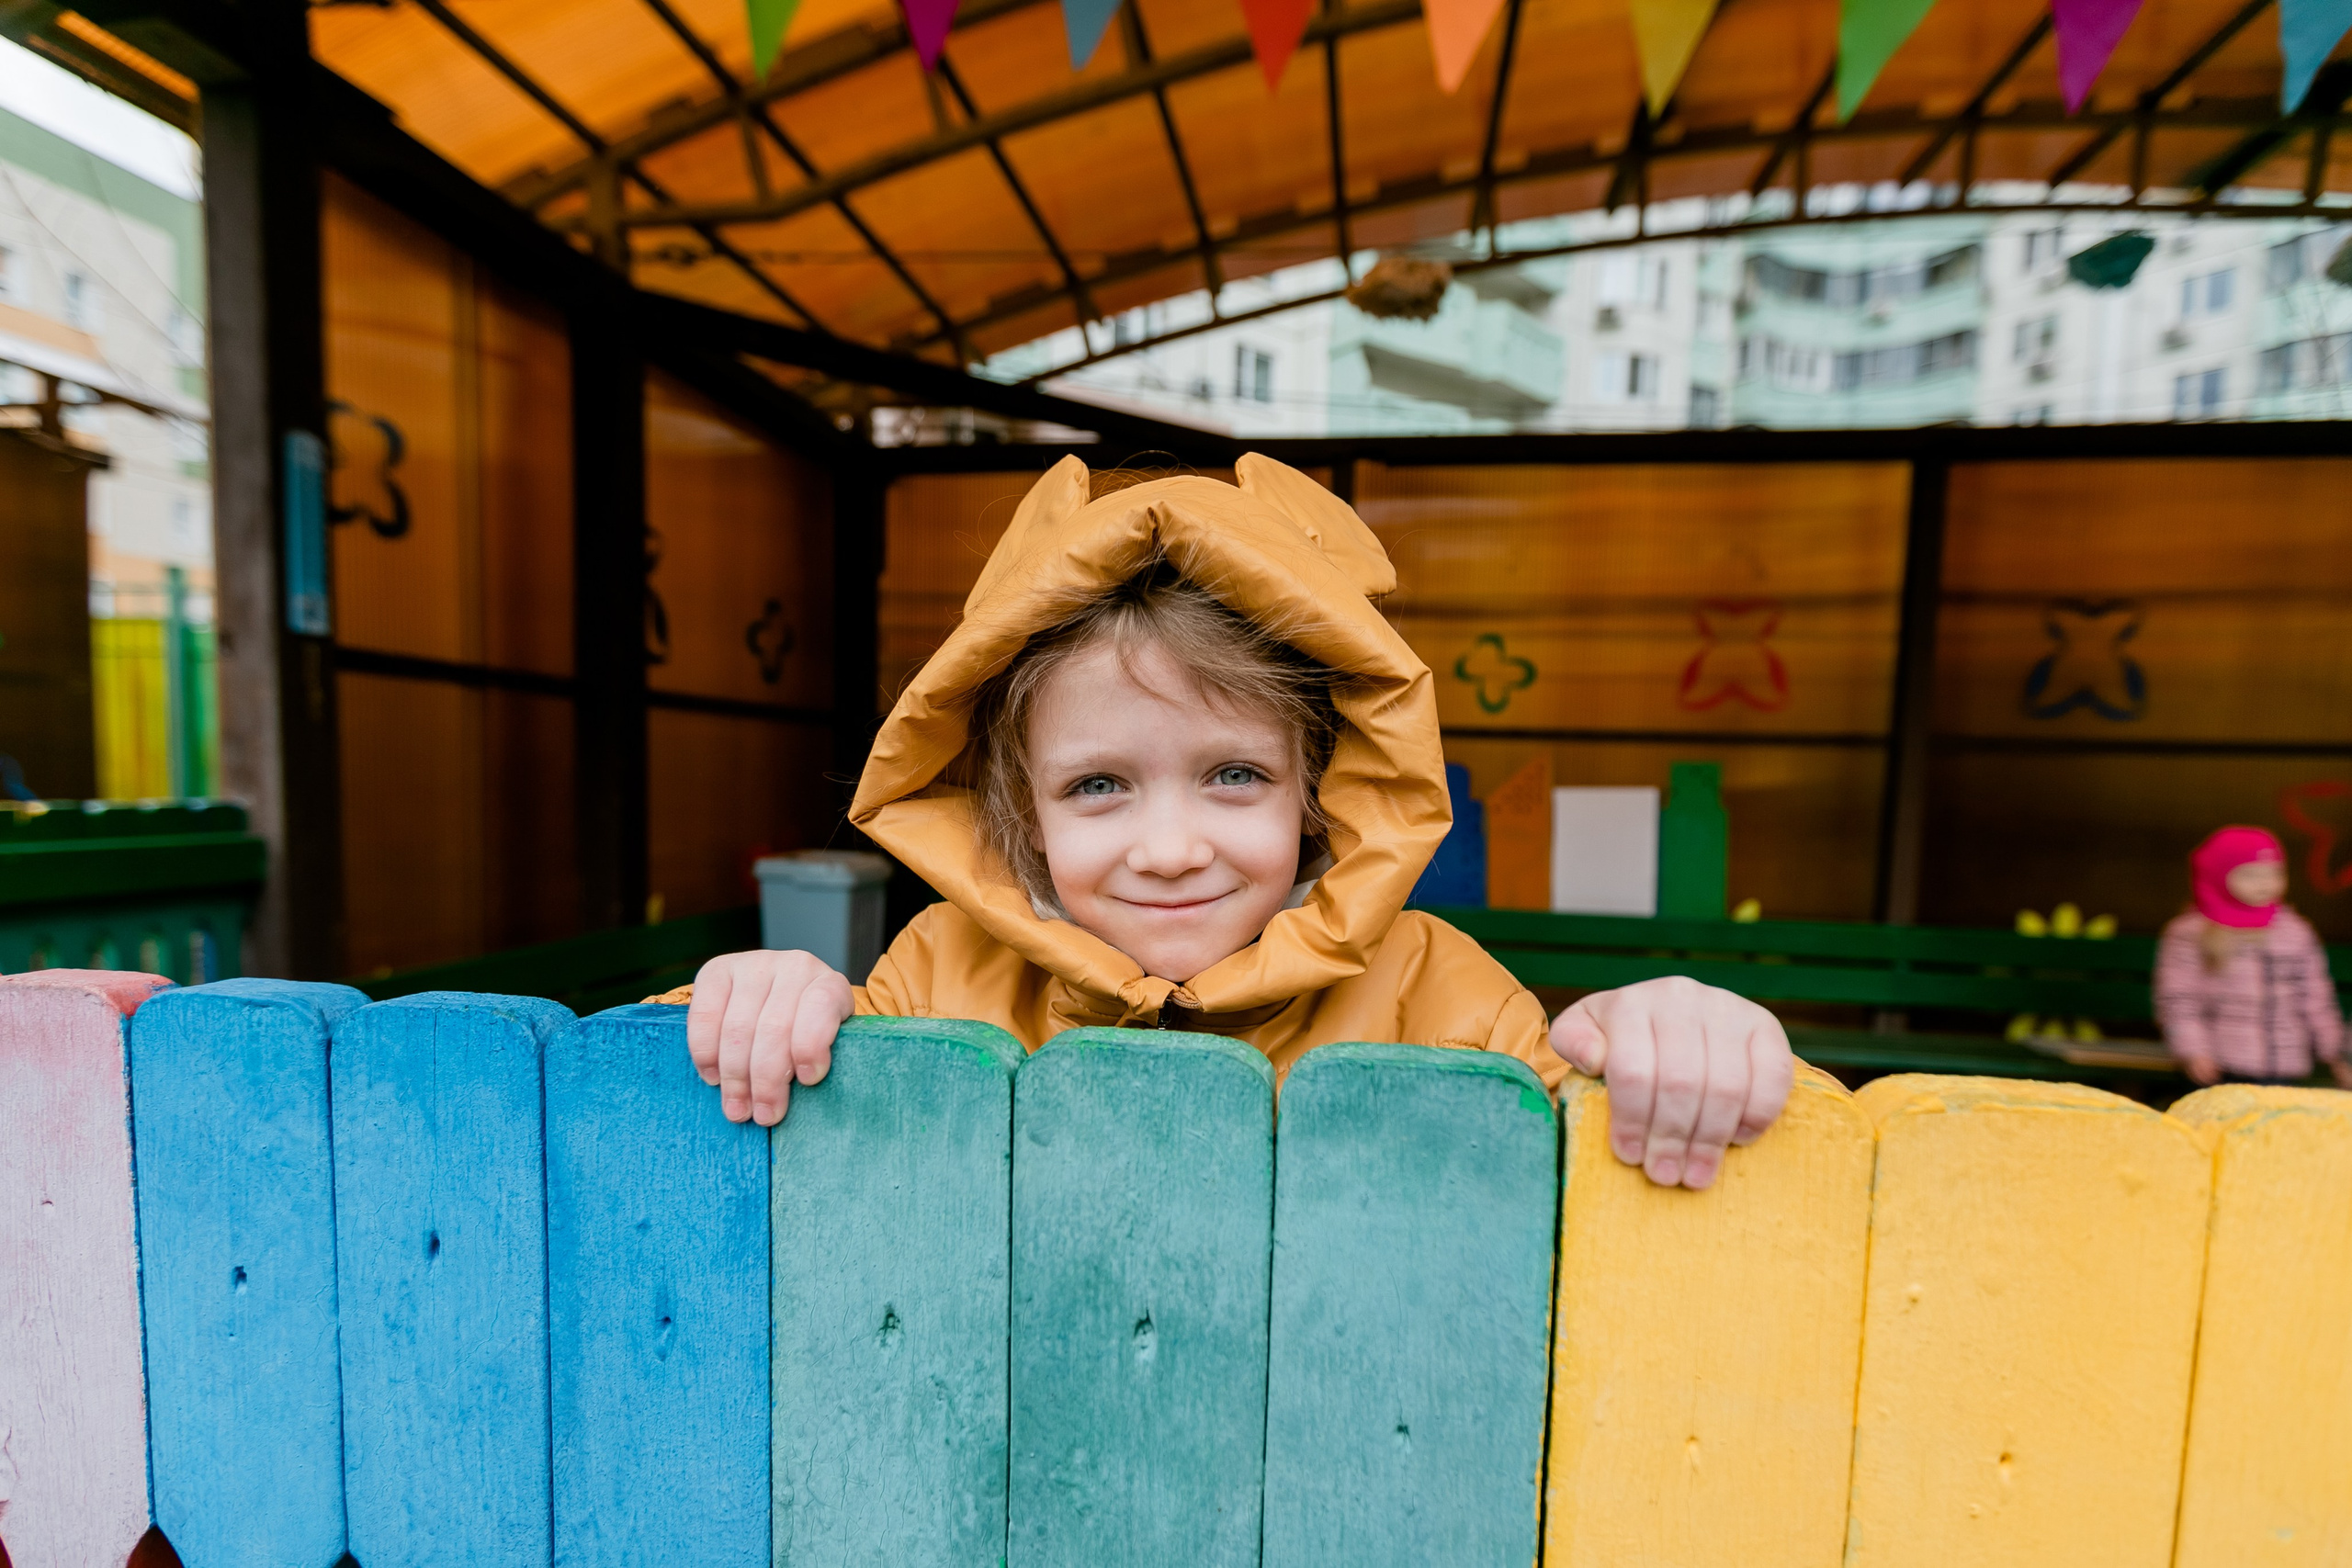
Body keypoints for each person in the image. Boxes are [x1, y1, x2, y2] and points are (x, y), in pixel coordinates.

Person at [665, 457, 1794, 1190]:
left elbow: (1643, 1157)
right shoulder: (932, 971)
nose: (1169, 848)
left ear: (1322, 781)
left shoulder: (1438, 990)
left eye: (1235, 776)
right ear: (1021, 806)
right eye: (1098, 786)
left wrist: (1673, 1051)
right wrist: (761, 1007)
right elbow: (641, 1106)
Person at [2155, 825, 2349, 1087]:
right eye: (2250, 875)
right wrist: (2193, 1050)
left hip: (2285, 1063)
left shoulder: (2294, 931)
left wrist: (2336, 1052)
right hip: (2221, 1064)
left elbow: (2315, 997)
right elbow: (2178, 999)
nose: (2266, 884)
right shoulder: (2191, 933)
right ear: (2218, 876)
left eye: (2275, 874)